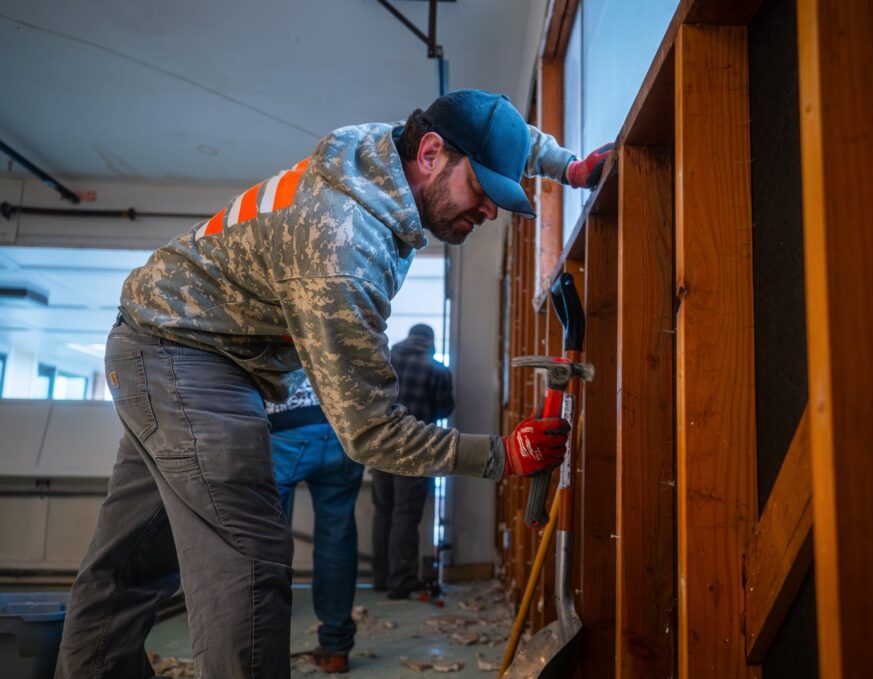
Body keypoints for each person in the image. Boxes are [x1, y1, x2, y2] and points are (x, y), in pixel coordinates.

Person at [55, 88, 612, 678]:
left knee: (132, 563)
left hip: (164, 337)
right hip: (187, 355)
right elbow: (371, 432)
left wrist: (567, 167)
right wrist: (500, 454)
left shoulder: (382, 151)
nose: (491, 210)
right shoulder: (345, 246)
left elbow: (505, 132)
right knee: (248, 562)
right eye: (483, 191)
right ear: (430, 154)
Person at [267, 375, 363, 673]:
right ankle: (336, 649)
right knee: (337, 536)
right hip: (342, 429)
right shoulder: (343, 324)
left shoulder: (267, 323)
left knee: (268, 541)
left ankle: (265, 650)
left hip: (283, 430)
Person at [372, 324, 454, 600]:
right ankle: (401, 581)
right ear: (430, 341)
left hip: (379, 447)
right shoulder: (437, 369)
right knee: (405, 514)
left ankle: (380, 578)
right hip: (414, 448)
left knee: (383, 511)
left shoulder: (385, 360)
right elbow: (445, 409)